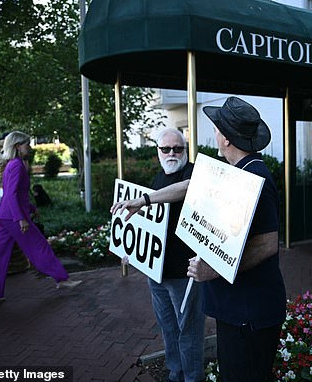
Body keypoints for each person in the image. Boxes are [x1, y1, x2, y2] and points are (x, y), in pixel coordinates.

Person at [111, 97, 287, 382]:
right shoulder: (235, 170)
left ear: (227, 139)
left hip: (250, 313)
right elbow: (191, 185)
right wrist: (144, 200)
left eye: (217, 128)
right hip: (235, 310)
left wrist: (215, 268)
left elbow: (267, 244)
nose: (214, 134)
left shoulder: (257, 177)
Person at [0, 131, 81, 304]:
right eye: (26, 144)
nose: (30, 147)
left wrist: (31, 208)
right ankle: (62, 279)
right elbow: (11, 195)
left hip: (5, 216)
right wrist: (22, 218)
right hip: (13, 218)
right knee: (39, 246)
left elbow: (15, 194)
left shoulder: (13, 164)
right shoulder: (17, 165)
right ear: (18, 147)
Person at [148, 128, 204, 382]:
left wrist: (146, 199)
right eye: (166, 149)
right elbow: (149, 222)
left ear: (185, 150)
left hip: (185, 272)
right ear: (158, 151)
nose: (172, 153)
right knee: (168, 328)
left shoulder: (193, 173)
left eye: (178, 148)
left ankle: (192, 377)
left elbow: (187, 188)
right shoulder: (158, 178)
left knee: (188, 330)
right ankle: (175, 373)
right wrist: (130, 250)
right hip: (157, 272)